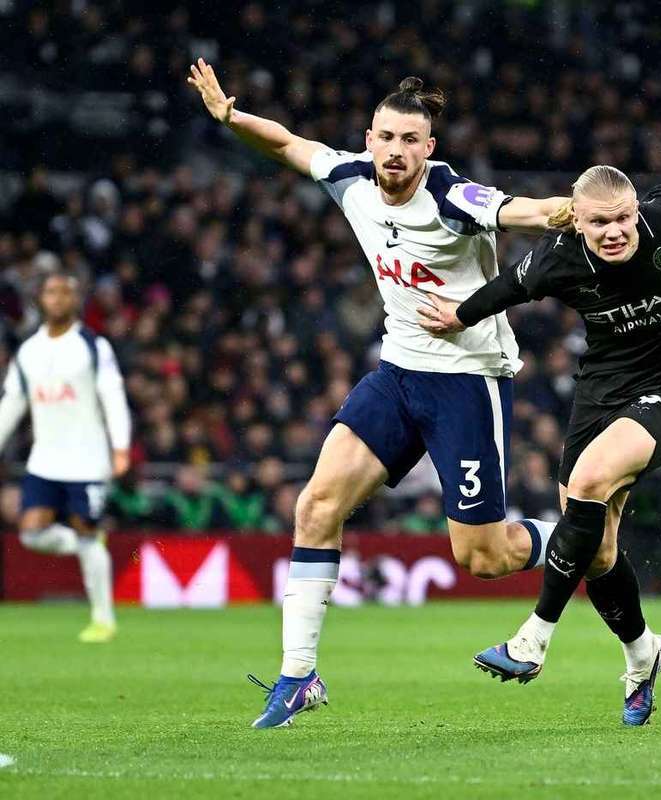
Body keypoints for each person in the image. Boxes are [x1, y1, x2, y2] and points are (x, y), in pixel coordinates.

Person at [187, 59, 568, 728]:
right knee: (316, 505)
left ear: (429, 149)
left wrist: (572, 211)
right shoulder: (349, 178)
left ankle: (578, 534)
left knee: (484, 558)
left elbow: (519, 212)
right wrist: (229, 117)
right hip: (396, 375)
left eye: (409, 141)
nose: (395, 151)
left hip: (467, 384)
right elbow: (286, 144)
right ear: (370, 139)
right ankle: (297, 678)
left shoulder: (455, 198)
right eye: (386, 138)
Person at [419, 164, 661, 724]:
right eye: (600, 222)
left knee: (588, 482)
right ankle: (643, 655)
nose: (615, 232)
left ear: (637, 211)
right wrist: (459, 315)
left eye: (623, 218)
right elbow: (510, 286)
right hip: (600, 395)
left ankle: (532, 639)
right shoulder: (559, 256)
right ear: (576, 221)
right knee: (598, 549)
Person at [0, 272, 131, 642]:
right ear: (40, 299)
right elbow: (11, 403)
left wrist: (120, 446)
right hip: (44, 460)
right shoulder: (29, 351)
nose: (58, 299)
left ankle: (103, 619)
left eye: (65, 293)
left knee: (87, 530)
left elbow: (113, 395)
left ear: (76, 300)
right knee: (31, 533)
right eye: (51, 292)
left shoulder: (93, 345)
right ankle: (88, 548)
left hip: (88, 460)